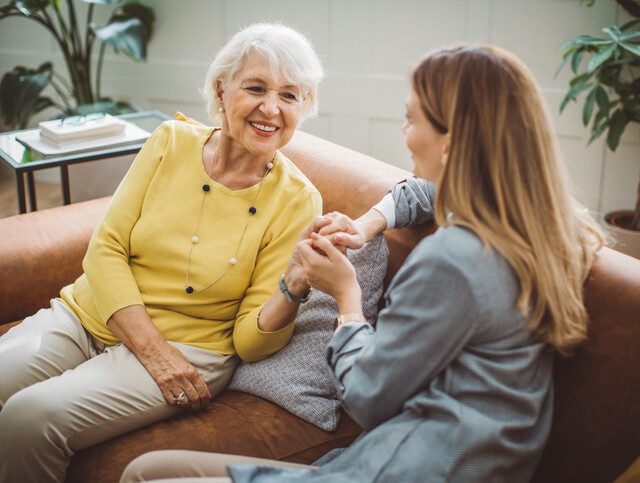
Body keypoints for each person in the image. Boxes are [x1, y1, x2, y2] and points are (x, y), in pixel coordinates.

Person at [120, 44, 604, 482]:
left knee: (146, 475)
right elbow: (425, 193)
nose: (405, 133)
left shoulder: (453, 260)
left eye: (413, 120)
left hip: (407, 468)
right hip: (448, 458)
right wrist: (369, 224)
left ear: (452, 142)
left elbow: (369, 399)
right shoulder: (540, 222)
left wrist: (346, 296)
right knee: (151, 469)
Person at [0, 23, 325, 483]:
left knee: (29, 418)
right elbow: (105, 248)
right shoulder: (170, 141)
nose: (270, 108)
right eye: (255, 87)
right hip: (92, 315)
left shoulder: (298, 200)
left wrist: (292, 288)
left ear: (302, 107)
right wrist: (151, 350)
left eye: (290, 96)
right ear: (221, 89)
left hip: (189, 348)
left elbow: (250, 344)